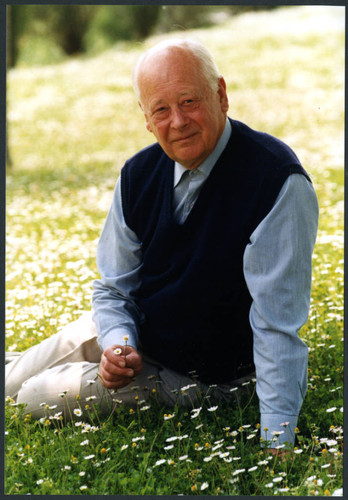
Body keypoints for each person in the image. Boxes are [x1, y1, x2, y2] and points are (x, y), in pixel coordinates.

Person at [5, 38, 318, 451]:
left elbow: (276, 324)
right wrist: (120, 341)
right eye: (161, 110)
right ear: (146, 118)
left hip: (211, 373)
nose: (178, 122)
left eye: (189, 101)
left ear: (221, 95)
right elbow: (115, 288)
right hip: (143, 338)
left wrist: (278, 438)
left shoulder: (275, 181)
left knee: (32, 396)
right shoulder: (138, 174)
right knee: (9, 379)